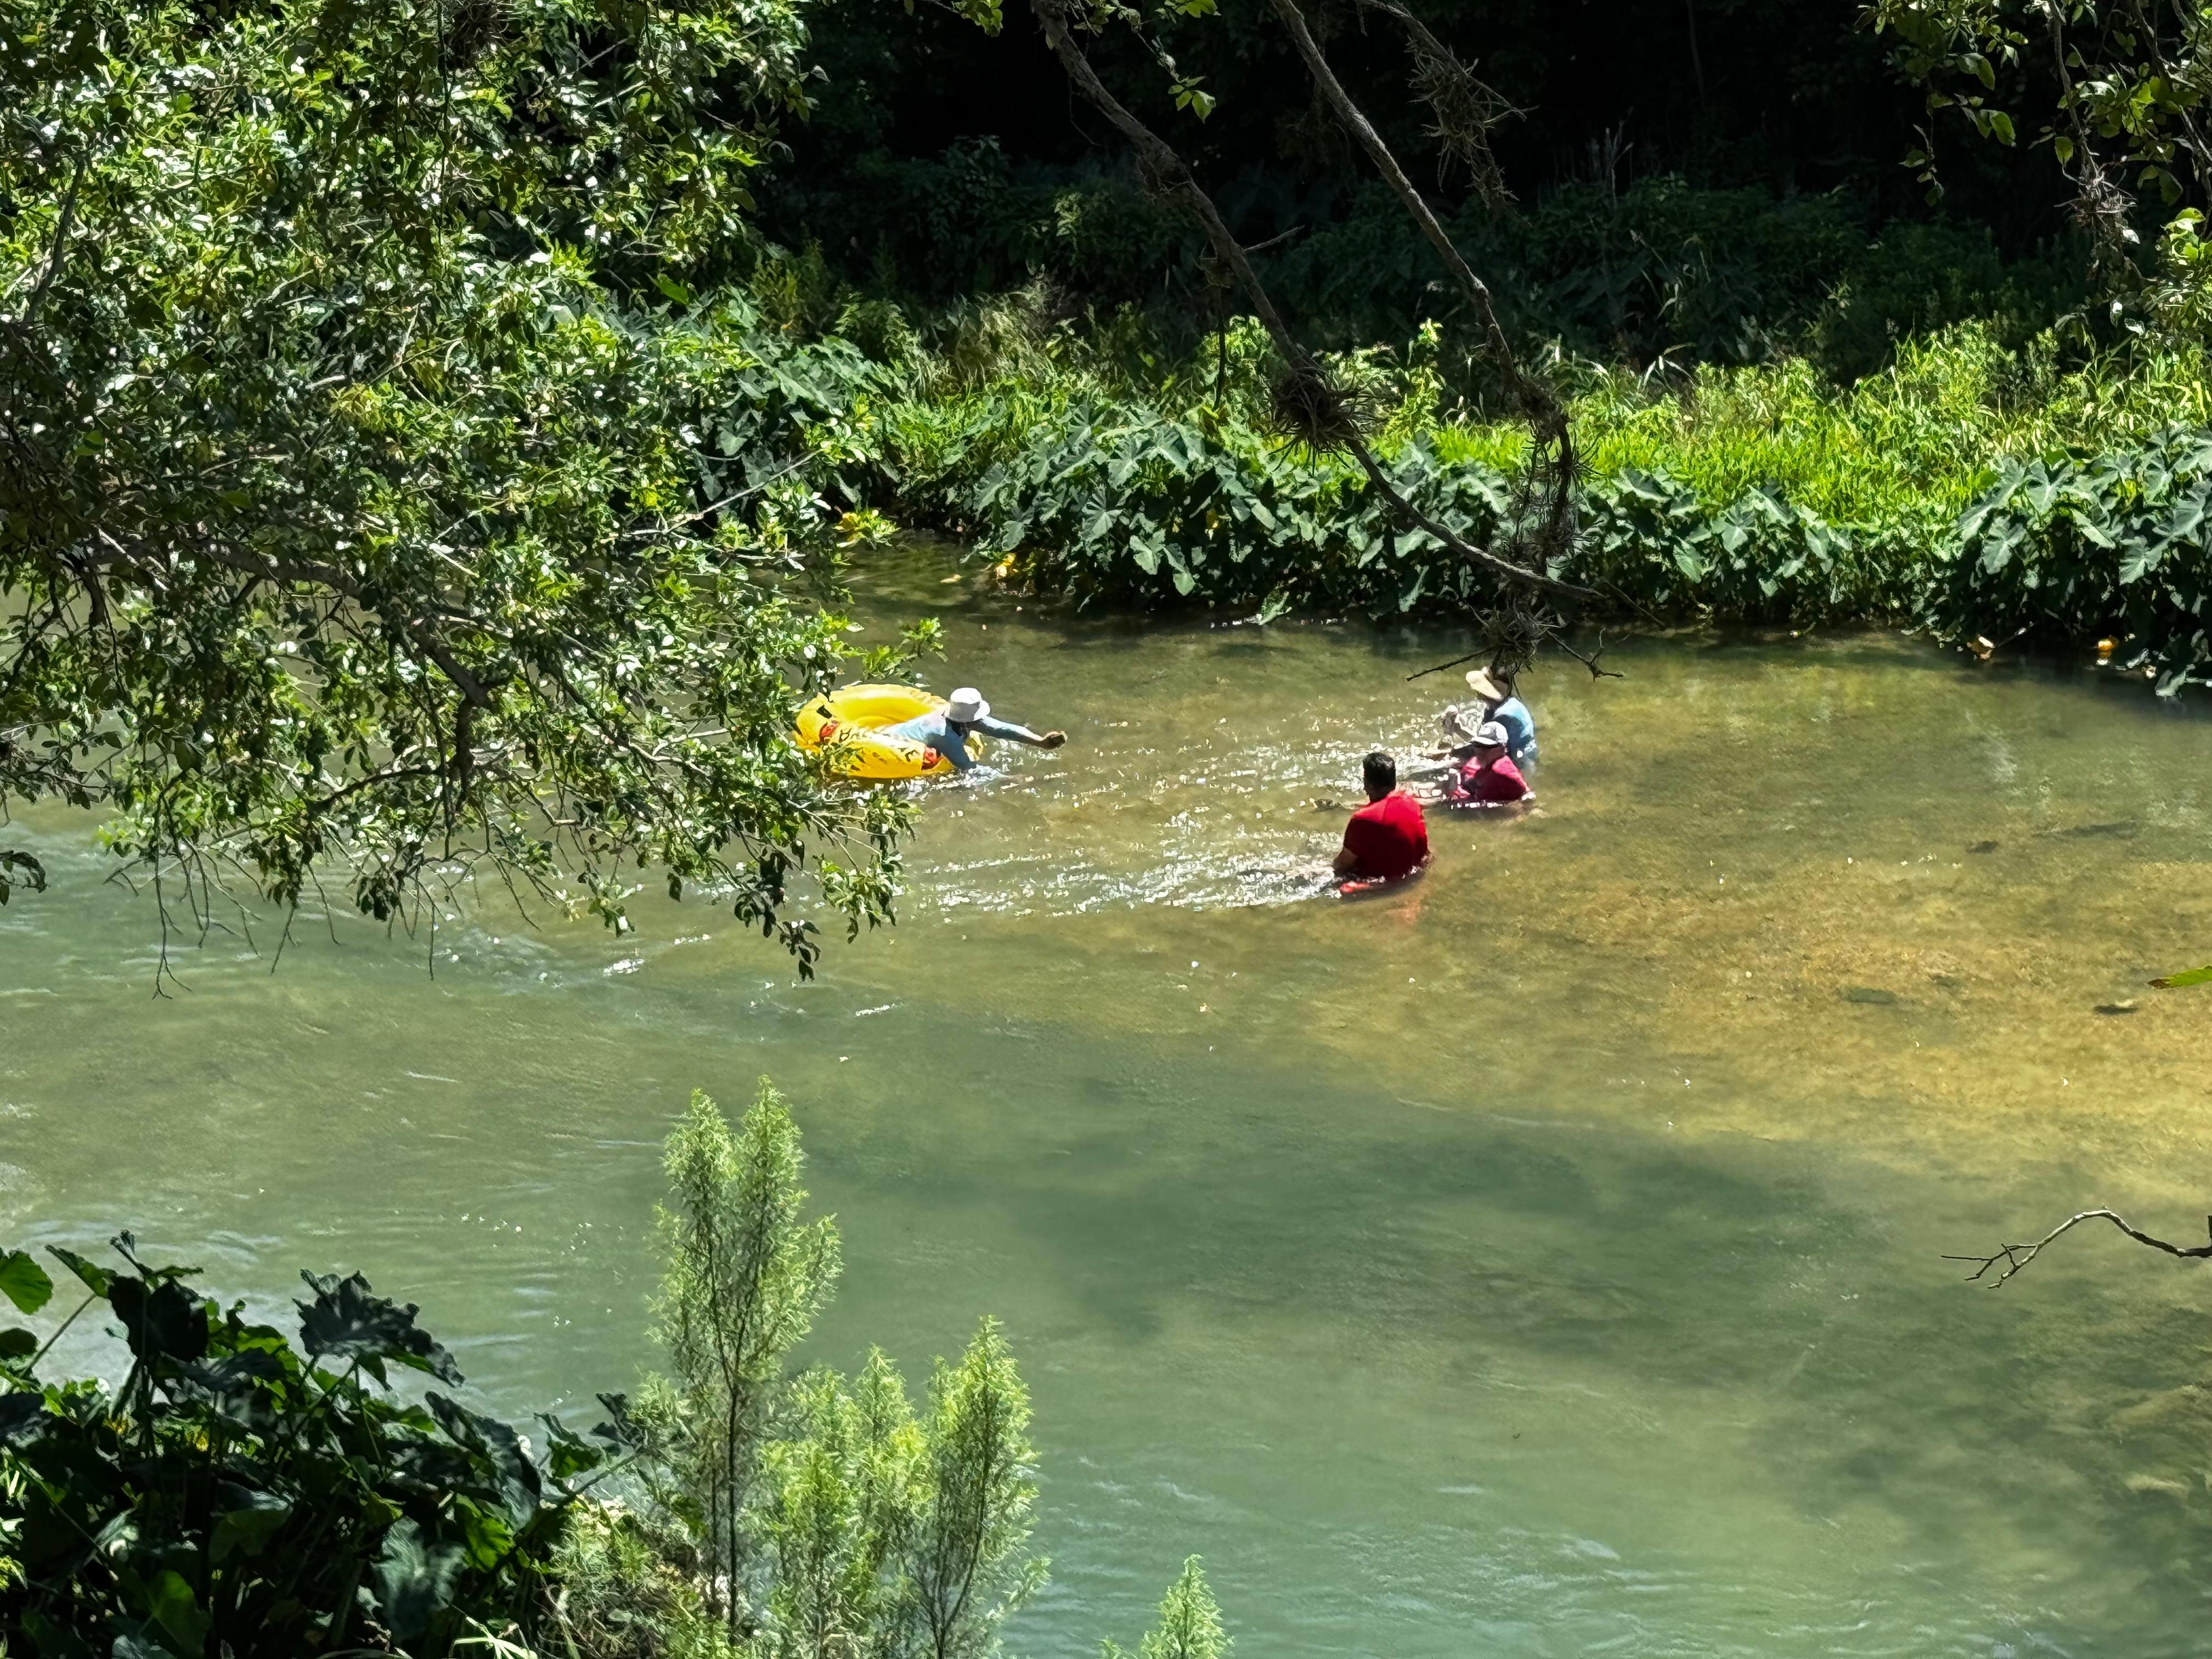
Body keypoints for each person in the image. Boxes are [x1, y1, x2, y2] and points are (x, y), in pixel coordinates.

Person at [881, 686, 1065, 774]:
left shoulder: (960, 720)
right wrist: (1008, 779)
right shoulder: (945, 735)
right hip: (887, 743)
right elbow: (966, 767)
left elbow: (1003, 729)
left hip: (897, 735)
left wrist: (1041, 742)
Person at [1333, 751, 1430, 885]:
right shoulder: (1412, 803)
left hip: (1378, 884)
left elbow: (1341, 866)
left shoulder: (1362, 820)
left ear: (1369, 784)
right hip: (1412, 874)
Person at [1453, 668, 1537, 766]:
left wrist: (1458, 729)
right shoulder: (1510, 702)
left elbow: (1483, 747)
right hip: (1527, 751)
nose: (1477, 694)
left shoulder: (1503, 716)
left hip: (1517, 760)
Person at [1441, 720, 1531, 806]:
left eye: (1487, 747)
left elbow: (1527, 798)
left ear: (1503, 749)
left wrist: (1454, 791)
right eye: (1478, 745)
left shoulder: (1499, 772)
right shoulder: (1483, 762)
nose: (1480, 751)